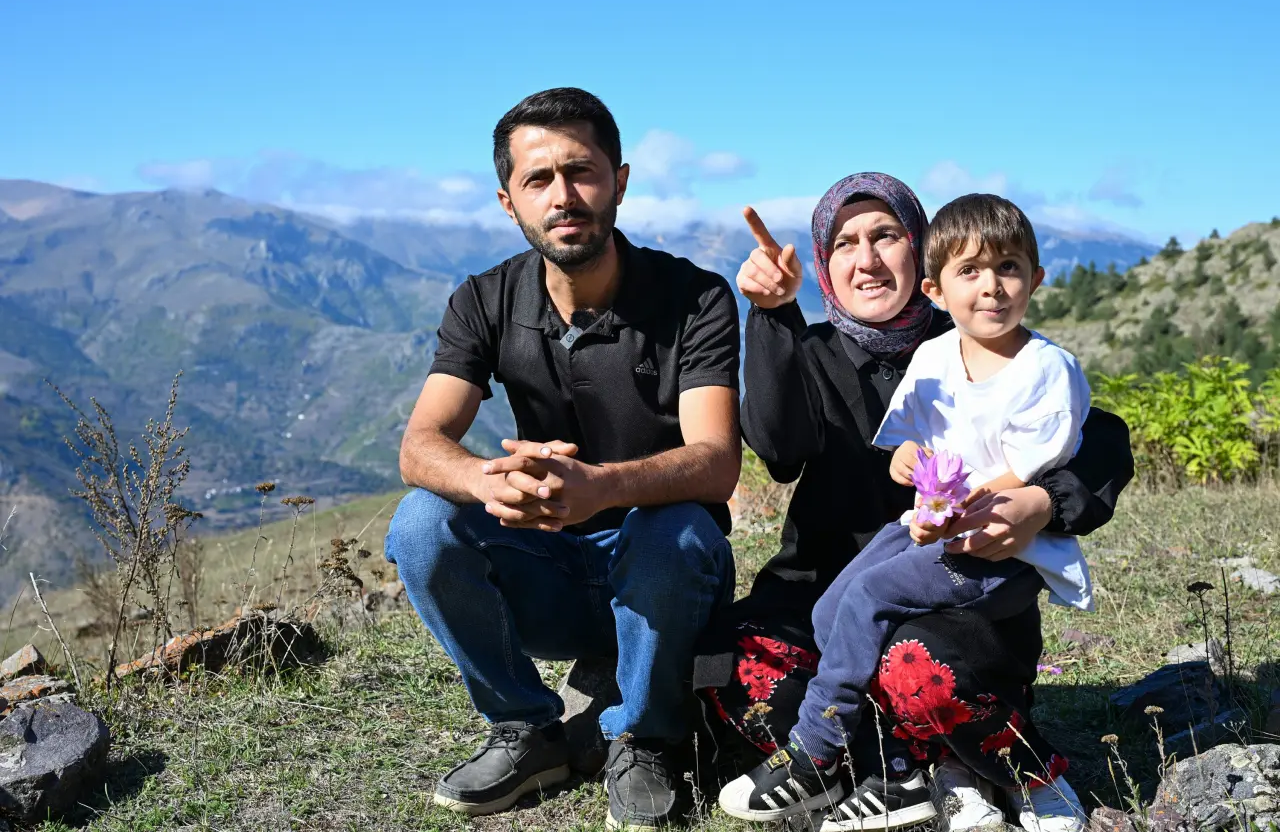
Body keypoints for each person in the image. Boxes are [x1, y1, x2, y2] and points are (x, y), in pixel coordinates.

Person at [693, 173, 1134, 832]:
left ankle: (980, 767)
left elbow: (1098, 437)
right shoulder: (811, 350)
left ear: (922, 254)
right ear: (824, 263)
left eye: (886, 236)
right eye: (844, 243)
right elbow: (780, 447)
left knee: (911, 662)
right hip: (827, 597)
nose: (866, 259)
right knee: (727, 655)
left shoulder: (974, 332)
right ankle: (898, 769)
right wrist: (773, 314)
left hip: (952, 599)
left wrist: (1041, 502)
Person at [384, 87, 741, 830]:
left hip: (664, 573)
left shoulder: (695, 297)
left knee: (673, 531)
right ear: (508, 201)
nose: (564, 195)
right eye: (537, 180)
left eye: (581, 171)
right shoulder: (483, 300)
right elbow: (419, 447)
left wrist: (601, 488)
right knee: (423, 523)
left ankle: (646, 737)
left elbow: (716, 461)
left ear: (620, 180)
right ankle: (527, 729)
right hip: (549, 569)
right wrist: (487, 478)